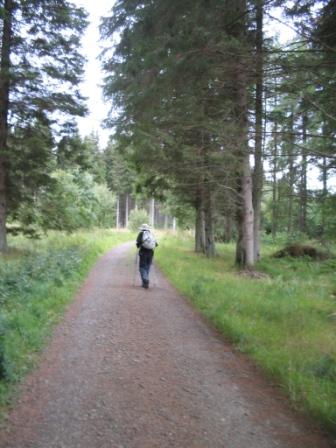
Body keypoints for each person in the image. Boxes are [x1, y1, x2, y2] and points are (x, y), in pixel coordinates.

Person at [136, 223, 158, 289]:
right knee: (147, 267)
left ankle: (145, 279)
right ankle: (144, 283)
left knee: (142, 267)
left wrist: (139, 245)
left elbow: (138, 244)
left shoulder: (141, 234)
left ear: (142, 228)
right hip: (151, 252)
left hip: (143, 252)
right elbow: (156, 244)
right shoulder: (151, 234)